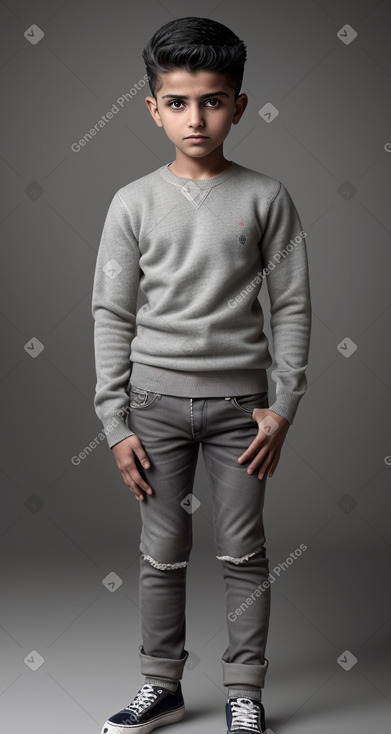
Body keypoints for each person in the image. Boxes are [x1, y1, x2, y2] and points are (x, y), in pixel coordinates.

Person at [92, 15, 311, 734]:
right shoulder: (131, 202)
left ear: (238, 105)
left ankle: (244, 689)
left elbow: (291, 306)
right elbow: (111, 316)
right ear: (153, 108)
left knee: (244, 549)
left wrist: (281, 406)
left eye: (213, 100)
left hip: (241, 413)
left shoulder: (265, 197)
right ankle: (163, 683)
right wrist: (114, 422)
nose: (196, 117)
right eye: (179, 102)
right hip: (153, 406)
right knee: (161, 553)